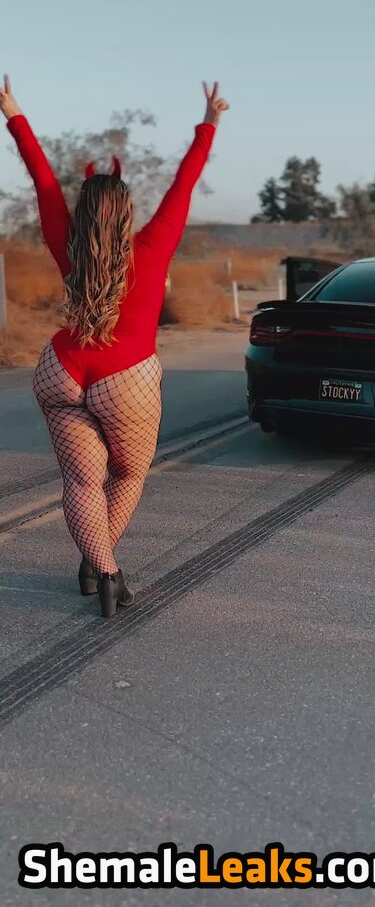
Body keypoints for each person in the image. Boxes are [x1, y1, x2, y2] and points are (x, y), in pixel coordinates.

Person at [0, 75, 229, 618]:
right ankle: (100, 567)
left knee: (81, 480)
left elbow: (42, 181)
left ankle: (101, 571)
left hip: (62, 367)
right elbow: (185, 183)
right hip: (127, 376)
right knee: (126, 474)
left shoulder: (67, 244)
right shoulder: (153, 245)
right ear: (126, 212)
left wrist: (13, 113)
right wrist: (209, 123)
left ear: (82, 212)